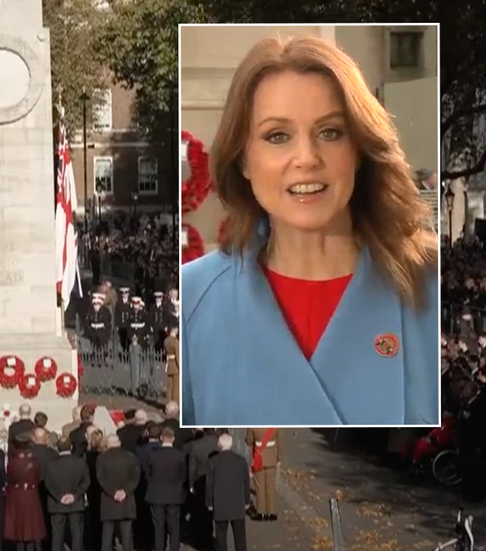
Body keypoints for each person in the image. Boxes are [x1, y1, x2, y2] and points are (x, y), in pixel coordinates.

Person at [181, 35, 439, 426]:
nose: (306, 158)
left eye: (330, 132)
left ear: (358, 151)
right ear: (244, 159)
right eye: (277, 136)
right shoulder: (193, 296)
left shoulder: (432, 281)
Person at [144, 427, 187, 551]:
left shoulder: (153, 454)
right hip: (174, 495)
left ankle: (159, 548)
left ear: (161, 439)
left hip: (156, 494)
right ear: (173, 439)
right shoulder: (180, 455)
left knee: (158, 527)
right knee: (174, 526)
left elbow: (147, 474)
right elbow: (183, 475)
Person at [206, 433, 250, 551]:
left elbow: (209, 484)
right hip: (237, 505)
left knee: (221, 538)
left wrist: (209, 502)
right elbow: (246, 482)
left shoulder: (213, 462)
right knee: (240, 538)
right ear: (232, 444)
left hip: (220, 505)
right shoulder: (241, 461)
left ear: (219, 445)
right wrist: (247, 501)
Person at [97, 434, 140, 551]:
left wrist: (113, 492)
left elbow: (101, 479)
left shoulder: (101, 458)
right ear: (119, 442)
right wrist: (125, 492)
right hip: (127, 501)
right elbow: (135, 477)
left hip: (108, 501)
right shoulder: (131, 457)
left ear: (107, 444)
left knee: (107, 535)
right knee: (127, 535)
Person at [44, 437, 89, 551]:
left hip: (57, 504)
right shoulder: (80, 463)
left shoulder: (51, 465)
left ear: (57, 448)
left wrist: (59, 497)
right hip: (76, 503)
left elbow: (48, 483)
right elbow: (86, 481)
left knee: (57, 535)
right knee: (77, 534)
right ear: (71, 447)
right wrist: (75, 495)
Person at [3, 432, 46, 549]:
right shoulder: (34, 461)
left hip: (17, 496)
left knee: (19, 529)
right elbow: (39, 477)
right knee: (30, 529)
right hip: (31, 495)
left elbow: (9, 477)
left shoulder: (13, 462)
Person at [246, 427, 281, 521]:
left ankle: (261, 512)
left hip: (258, 458)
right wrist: (279, 457)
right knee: (270, 486)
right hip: (271, 458)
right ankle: (271, 512)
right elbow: (280, 442)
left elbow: (249, 441)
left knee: (259, 486)